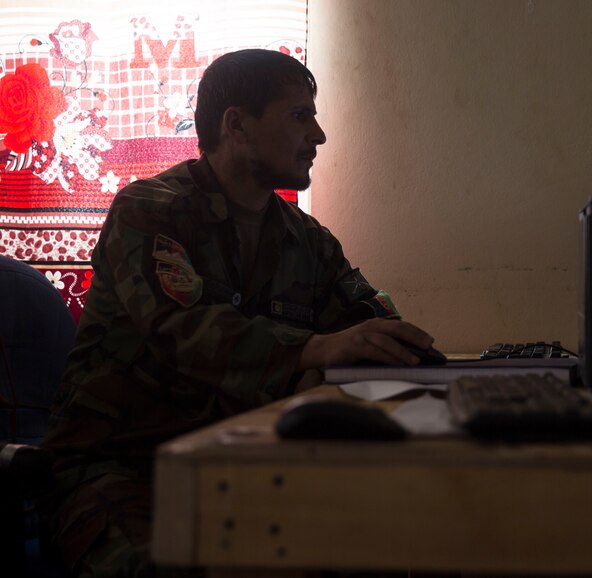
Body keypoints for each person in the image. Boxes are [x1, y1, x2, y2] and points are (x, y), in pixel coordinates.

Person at [41, 48, 435, 578]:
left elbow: (369, 329)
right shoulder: (149, 210)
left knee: (395, 549)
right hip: (122, 465)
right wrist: (310, 351)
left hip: (242, 466)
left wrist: (419, 363)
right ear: (236, 126)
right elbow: (182, 330)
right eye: (300, 116)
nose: (317, 136)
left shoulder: (306, 239)